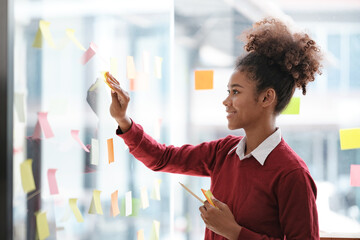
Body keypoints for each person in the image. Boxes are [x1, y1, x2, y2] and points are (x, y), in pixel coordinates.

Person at [106, 18, 322, 240]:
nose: (226, 101)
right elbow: (162, 158)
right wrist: (123, 120)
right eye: (228, 91)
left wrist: (234, 232)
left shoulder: (292, 174)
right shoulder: (223, 152)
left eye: (235, 92)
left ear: (266, 97)